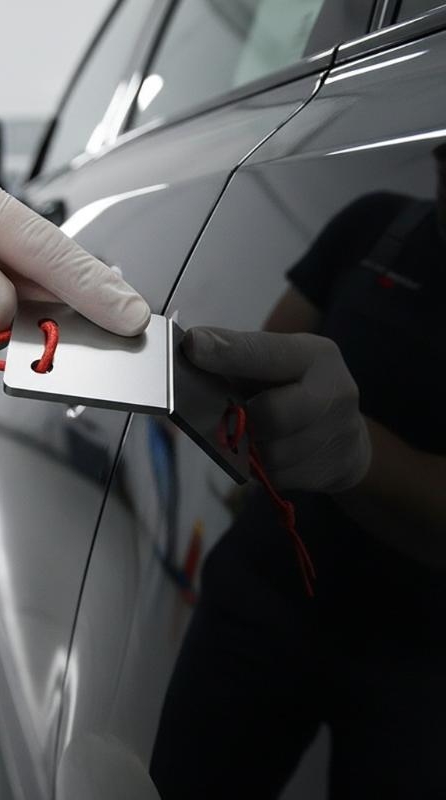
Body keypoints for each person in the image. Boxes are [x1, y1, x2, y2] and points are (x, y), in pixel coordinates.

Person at [151, 149, 446, 798]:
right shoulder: (375, 226)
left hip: (423, 659)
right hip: (265, 592)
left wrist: (359, 454)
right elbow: (267, 362)